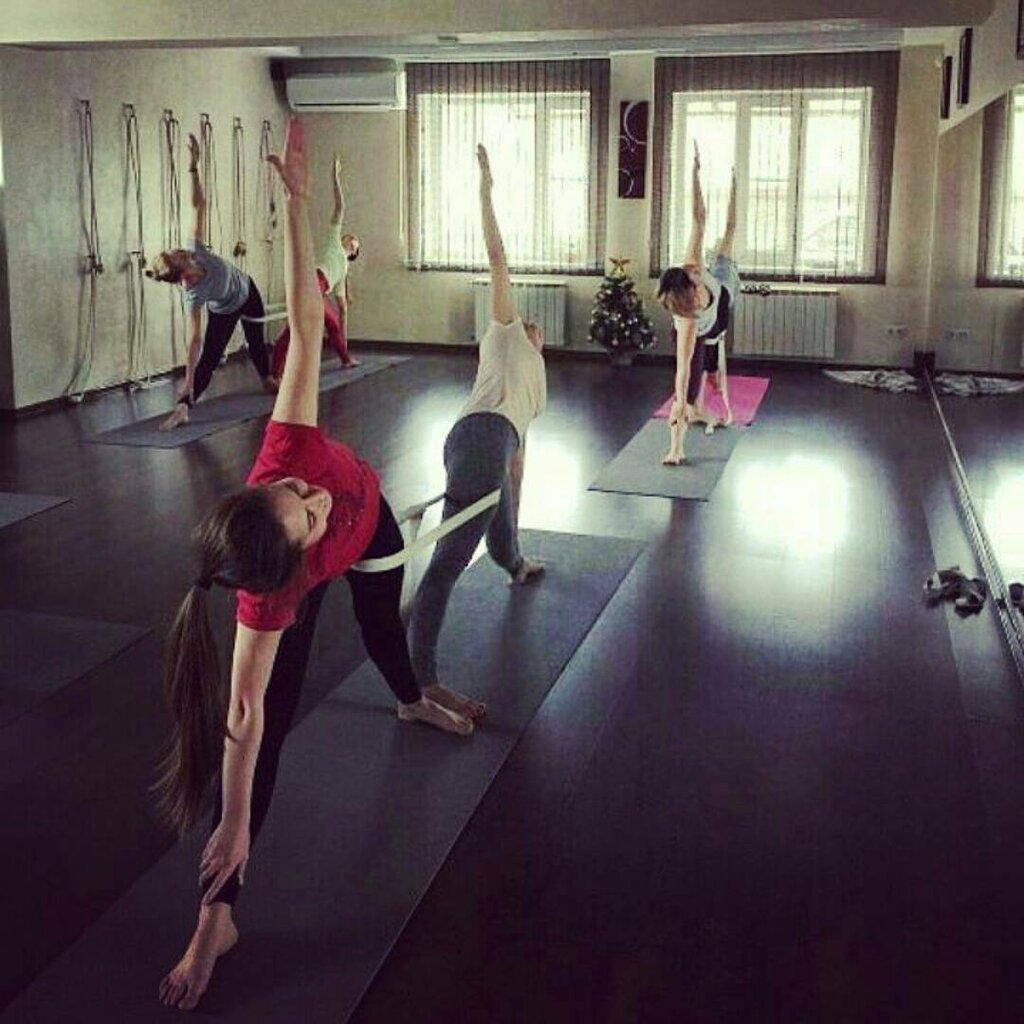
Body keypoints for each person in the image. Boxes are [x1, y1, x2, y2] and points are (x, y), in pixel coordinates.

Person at [157, 119, 482, 1013]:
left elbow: (304, 323)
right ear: (290, 565)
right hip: (316, 573)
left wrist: (297, 205)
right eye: (308, 514)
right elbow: (241, 713)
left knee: (383, 625)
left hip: (376, 526)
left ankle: (409, 697)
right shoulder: (271, 599)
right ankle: (216, 919)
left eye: (294, 491)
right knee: (263, 747)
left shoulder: (288, 444)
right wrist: (231, 822)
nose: (312, 496)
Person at [407, 144, 546, 697]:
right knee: (447, 565)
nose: (534, 327)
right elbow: (497, 258)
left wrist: (517, 508)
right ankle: (420, 682)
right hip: (479, 435)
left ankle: (514, 563)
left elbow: (518, 460)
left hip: (488, 440)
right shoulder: (506, 333)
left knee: (500, 512)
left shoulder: (537, 381)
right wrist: (486, 190)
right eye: (529, 323)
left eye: (535, 329)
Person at [145, 133, 278, 431]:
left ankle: (267, 378)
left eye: (177, 251)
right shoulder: (193, 294)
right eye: (177, 256)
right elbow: (194, 341)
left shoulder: (196, 249)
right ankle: (183, 408)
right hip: (225, 310)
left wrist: (194, 167)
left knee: (256, 340)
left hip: (248, 290)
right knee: (209, 359)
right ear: (181, 275)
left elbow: (198, 205)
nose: (180, 250)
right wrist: (188, 380)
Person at [656, 144, 740, 464]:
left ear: (690, 285)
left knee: (724, 249)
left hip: (721, 299)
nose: (683, 312)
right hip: (702, 329)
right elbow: (681, 368)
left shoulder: (693, 266)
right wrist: (679, 399)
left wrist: (695, 173)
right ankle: (676, 447)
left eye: (685, 305)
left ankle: (703, 397)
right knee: (685, 393)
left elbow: (699, 218)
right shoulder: (687, 323)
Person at [270, 153, 360, 377]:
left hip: (317, 288)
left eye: (354, 240)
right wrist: (335, 177)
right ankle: (274, 373)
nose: (351, 237)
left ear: (354, 252)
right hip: (313, 282)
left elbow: (343, 308)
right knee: (297, 328)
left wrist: (345, 339)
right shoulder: (334, 240)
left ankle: (346, 359)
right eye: (349, 236)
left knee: (330, 325)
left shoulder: (343, 270)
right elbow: (340, 206)